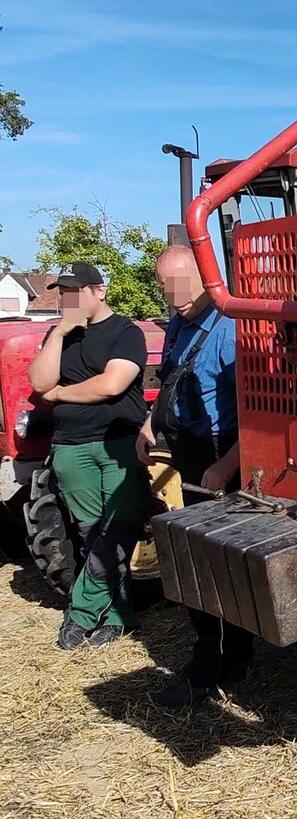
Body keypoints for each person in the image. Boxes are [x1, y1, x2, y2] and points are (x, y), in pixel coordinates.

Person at [140, 243, 253, 706]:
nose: (176, 295)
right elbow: (172, 378)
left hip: (220, 457)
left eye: (183, 284)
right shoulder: (179, 325)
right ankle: (226, 658)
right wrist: (148, 427)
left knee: (214, 568)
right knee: (198, 559)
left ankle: (214, 668)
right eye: (167, 288)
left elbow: (260, 411)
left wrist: (226, 466)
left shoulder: (232, 328)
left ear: (208, 275)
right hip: (189, 454)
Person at [27, 262, 148, 649]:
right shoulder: (58, 334)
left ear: (99, 291)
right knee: (90, 533)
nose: (69, 300)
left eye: (75, 291)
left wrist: (62, 394)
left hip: (118, 444)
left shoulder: (126, 332)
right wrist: (62, 331)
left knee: (116, 531)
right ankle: (118, 616)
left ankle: (79, 614)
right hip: (70, 447)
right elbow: (39, 382)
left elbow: (111, 385)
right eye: (63, 293)